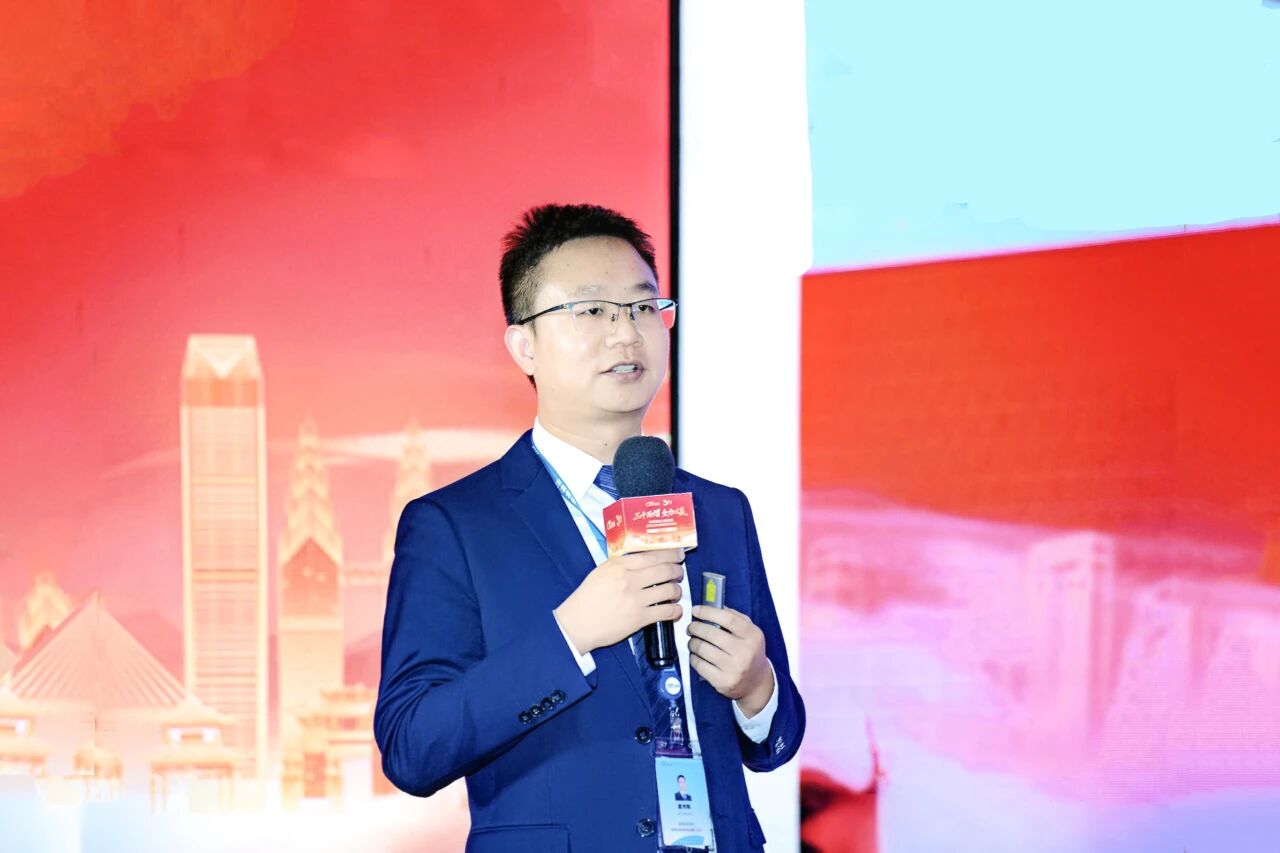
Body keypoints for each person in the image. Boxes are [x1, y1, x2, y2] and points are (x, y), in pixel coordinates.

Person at [374, 203, 805, 852]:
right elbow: (412, 746)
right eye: (593, 310)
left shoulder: (721, 511)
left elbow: (777, 738)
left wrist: (756, 687)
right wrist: (569, 634)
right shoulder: (453, 526)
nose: (626, 332)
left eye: (643, 306)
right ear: (524, 345)